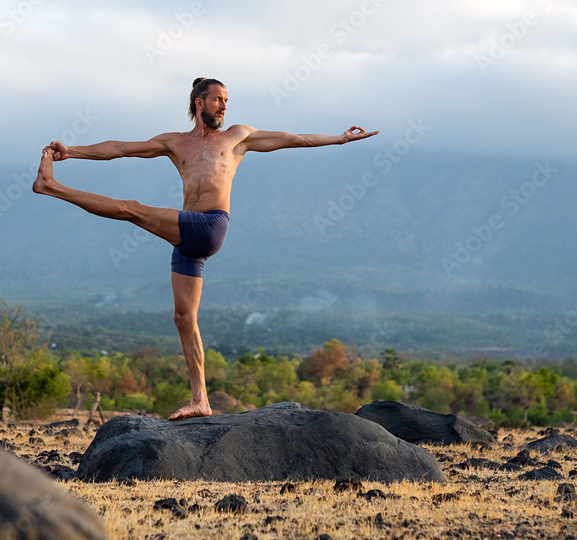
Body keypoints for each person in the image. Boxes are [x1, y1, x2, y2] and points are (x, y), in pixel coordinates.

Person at [33, 77, 378, 420]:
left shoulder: (237, 137)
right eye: (218, 100)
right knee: (184, 318)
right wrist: (72, 151)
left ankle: (50, 186)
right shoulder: (175, 143)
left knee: (131, 208)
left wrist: (339, 139)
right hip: (187, 236)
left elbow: (294, 139)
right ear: (200, 103)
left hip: (211, 225)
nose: (224, 106)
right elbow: (121, 148)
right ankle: (200, 399)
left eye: (227, 100)